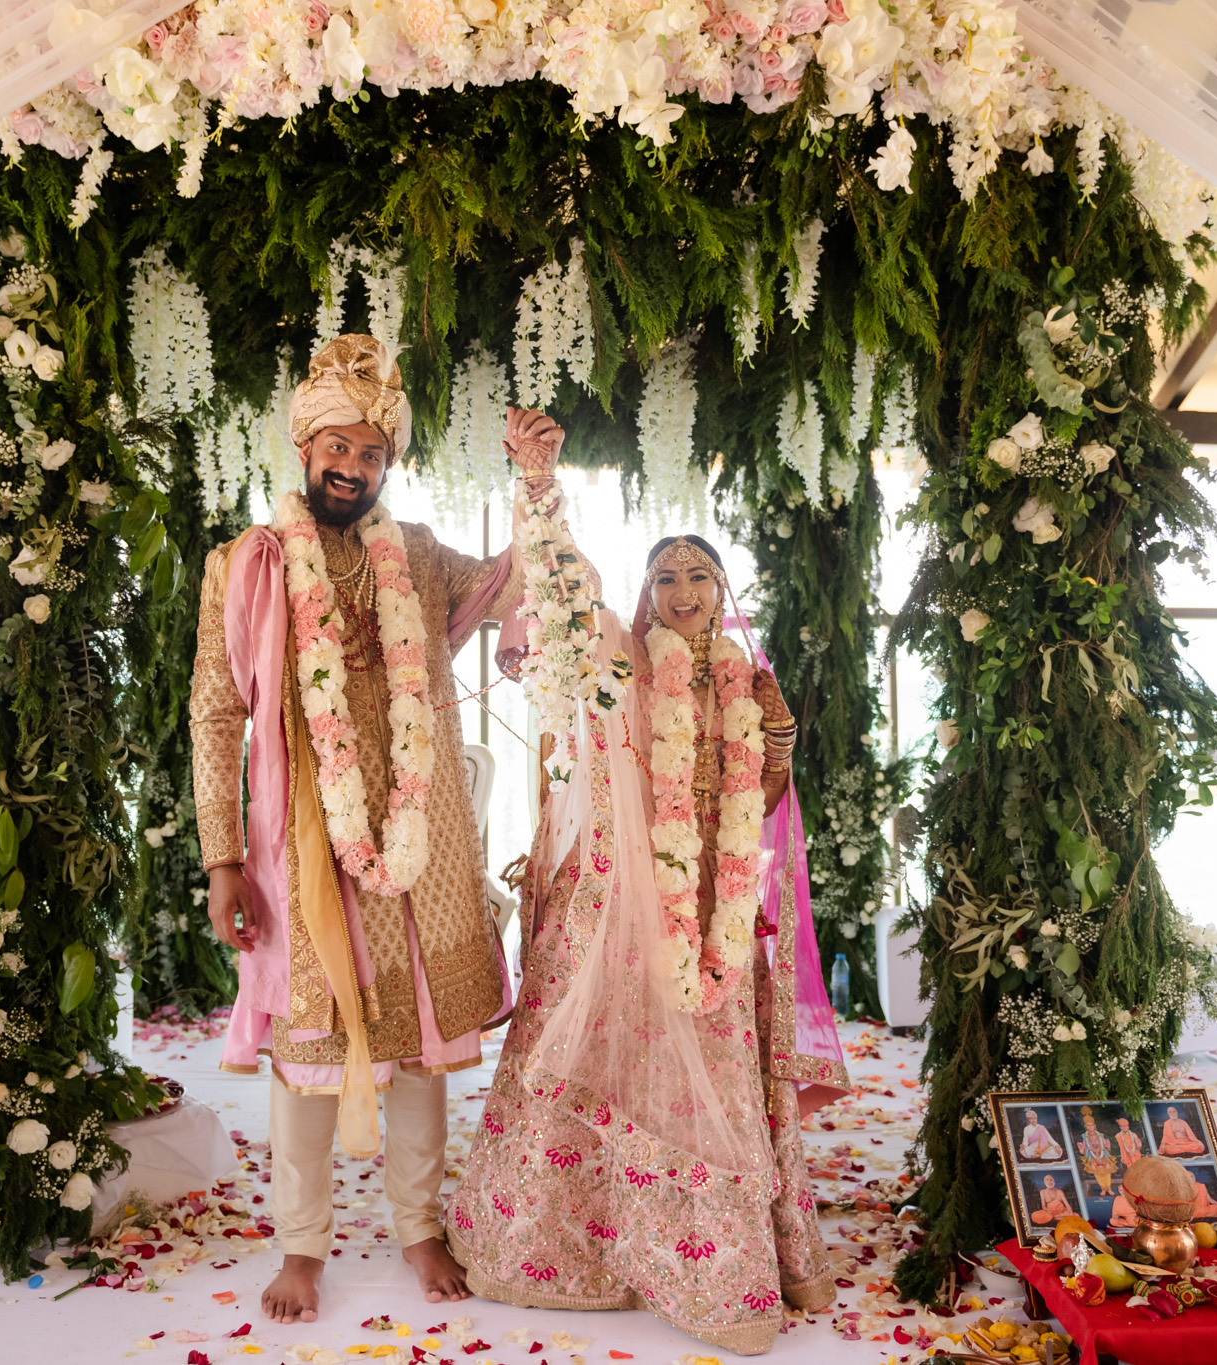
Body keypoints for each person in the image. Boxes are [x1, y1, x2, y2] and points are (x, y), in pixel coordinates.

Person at [192, 336, 546, 1324]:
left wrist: (536, 482)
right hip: (301, 839)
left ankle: (418, 1225)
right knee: (310, 1051)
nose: (353, 466)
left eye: (373, 452)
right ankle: (302, 1245)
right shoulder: (244, 565)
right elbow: (215, 714)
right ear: (304, 448)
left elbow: (515, 582)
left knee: (423, 1045)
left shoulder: (421, 558)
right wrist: (222, 858)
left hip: (420, 838)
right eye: (337, 447)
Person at [446, 533, 848, 1355]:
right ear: (648, 592)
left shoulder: (747, 678)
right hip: (626, 895)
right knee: (602, 1043)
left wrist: (777, 742)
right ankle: (583, 1248)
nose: (682, 588)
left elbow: (765, 800)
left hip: (714, 905)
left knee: (710, 1064)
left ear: (722, 588)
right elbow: (578, 612)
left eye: (699, 575)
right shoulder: (628, 659)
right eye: (665, 576)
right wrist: (543, 496)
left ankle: (707, 1264)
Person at [1077, 1109, 1117, 1196]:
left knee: (1107, 1173)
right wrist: (1081, 1149)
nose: (1090, 1127)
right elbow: (1083, 1149)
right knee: (1098, 1174)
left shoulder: (1100, 1135)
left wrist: (1108, 1147)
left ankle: (1109, 1188)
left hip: (1103, 1156)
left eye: (1092, 1125)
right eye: (1088, 1125)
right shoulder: (1085, 1138)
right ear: (1086, 1127)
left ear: (1095, 1126)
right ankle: (1103, 1189)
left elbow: (1105, 1146)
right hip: (1092, 1158)